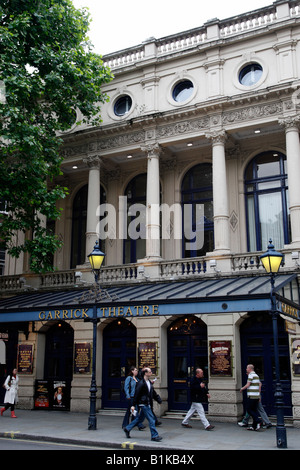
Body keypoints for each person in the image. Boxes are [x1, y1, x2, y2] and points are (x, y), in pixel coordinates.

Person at [124, 367, 163, 442]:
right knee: (151, 419)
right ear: (146, 373)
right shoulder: (141, 383)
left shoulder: (149, 383)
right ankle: (154, 436)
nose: (151, 373)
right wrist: (133, 404)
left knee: (139, 419)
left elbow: (153, 393)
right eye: (150, 371)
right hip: (143, 403)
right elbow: (136, 394)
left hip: (147, 403)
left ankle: (127, 428)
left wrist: (159, 400)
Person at [122, 366, 145, 430]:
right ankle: (139, 424)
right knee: (135, 411)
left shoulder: (137, 379)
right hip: (131, 397)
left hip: (137, 397)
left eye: (137, 370)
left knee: (129, 411)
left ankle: (125, 424)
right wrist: (128, 395)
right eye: (135, 370)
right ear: (132, 371)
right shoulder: (129, 378)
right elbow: (126, 387)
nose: (137, 371)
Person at [240, 364, 261, 431]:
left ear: (250, 369)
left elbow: (248, 384)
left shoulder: (251, 375)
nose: (246, 369)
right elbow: (259, 385)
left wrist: (242, 389)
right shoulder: (256, 375)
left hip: (251, 396)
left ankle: (258, 420)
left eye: (247, 368)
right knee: (254, 410)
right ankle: (254, 426)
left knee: (249, 409)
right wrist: (259, 395)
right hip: (256, 396)